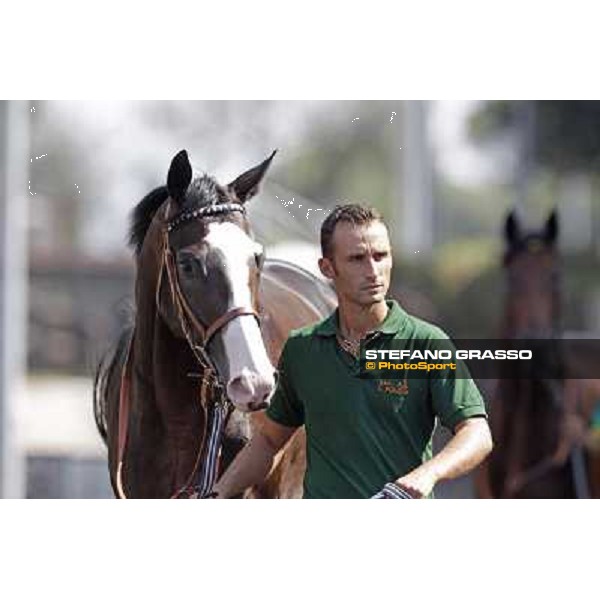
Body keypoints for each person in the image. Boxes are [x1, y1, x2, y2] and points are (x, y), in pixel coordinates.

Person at [213, 204, 493, 499]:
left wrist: (427, 475)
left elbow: (477, 433)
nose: (373, 271)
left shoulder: (427, 343)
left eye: (380, 256)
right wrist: (216, 494)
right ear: (327, 268)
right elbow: (269, 442)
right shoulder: (302, 348)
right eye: (357, 259)